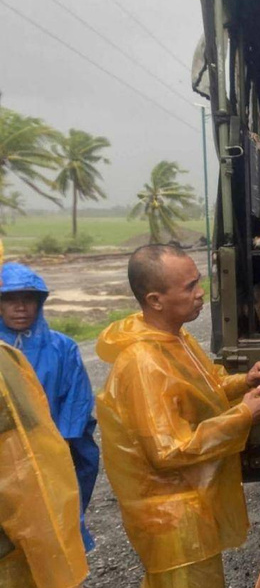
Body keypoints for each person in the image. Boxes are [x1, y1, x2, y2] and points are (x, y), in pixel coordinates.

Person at [96, 244, 260, 587]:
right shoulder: (143, 363)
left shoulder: (173, 339)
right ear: (155, 300)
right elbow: (168, 450)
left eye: (199, 282)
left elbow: (202, 392)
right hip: (171, 521)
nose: (200, 295)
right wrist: (243, 416)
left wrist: (244, 382)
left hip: (190, 507)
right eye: (190, 287)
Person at [0, 240, 89, 588]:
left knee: (55, 535)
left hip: (53, 459)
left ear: (40, 303)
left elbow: (77, 403)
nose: (20, 307)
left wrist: (55, 454)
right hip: (7, 463)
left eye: (28, 299)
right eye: (10, 299)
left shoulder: (62, 347)